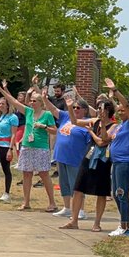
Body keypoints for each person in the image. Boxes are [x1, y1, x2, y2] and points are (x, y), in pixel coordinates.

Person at [0, 78, 57, 212]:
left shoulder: (47, 114)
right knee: (26, 174)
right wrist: (0, 90)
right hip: (27, 146)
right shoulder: (28, 111)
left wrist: (44, 127)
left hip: (41, 147)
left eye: (34, 101)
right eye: (31, 101)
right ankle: (26, 202)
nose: (31, 103)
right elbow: (13, 101)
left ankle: (52, 203)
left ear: (40, 103)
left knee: (44, 174)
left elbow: (54, 130)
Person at [60, 99, 116, 232]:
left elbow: (102, 141)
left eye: (101, 108)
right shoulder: (94, 120)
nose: (99, 111)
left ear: (108, 110)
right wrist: (70, 107)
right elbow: (75, 122)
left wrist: (93, 130)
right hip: (88, 157)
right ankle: (74, 221)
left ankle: (97, 223)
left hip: (102, 159)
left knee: (101, 192)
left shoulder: (114, 126)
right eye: (98, 108)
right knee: (78, 188)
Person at [45, 91, 93, 220]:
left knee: (76, 185)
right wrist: (44, 98)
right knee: (64, 183)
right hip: (61, 156)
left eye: (78, 108)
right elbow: (53, 109)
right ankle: (67, 208)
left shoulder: (87, 122)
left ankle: (80, 210)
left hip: (75, 158)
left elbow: (90, 143)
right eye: (74, 107)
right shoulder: (66, 116)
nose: (75, 109)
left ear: (85, 110)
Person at [104, 78, 129, 236]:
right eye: (118, 111)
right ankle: (125, 224)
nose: (120, 112)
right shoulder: (121, 125)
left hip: (127, 161)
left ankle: (126, 226)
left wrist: (116, 90)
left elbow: (125, 105)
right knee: (116, 194)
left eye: (122, 111)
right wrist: (111, 98)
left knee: (122, 193)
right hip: (117, 162)